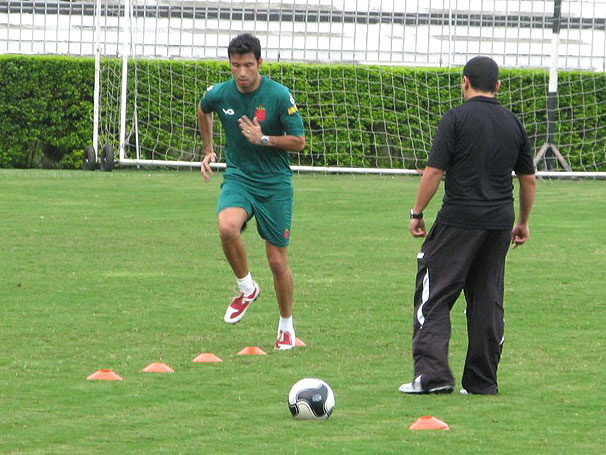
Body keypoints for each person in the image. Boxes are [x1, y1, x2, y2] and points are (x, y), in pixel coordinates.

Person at [399, 56, 536, 395]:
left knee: (434, 294)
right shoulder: (513, 123)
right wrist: (522, 222)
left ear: (464, 82)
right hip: (499, 222)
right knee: (487, 298)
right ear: (497, 86)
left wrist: (417, 212)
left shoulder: (455, 119)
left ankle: (433, 377)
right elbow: (528, 179)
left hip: (459, 219)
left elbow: (434, 171)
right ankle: (481, 381)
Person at [197, 33, 306, 350]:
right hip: (239, 177)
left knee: (277, 262)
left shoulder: (279, 95)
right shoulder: (220, 93)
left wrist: (264, 139)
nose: (241, 72)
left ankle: (286, 326)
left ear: (259, 63)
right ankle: (247, 288)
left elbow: (299, 142)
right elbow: (203, 109)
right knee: (226, 226)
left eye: (247, 65)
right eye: (235, 66)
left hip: (274, 184)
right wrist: (208, 149)